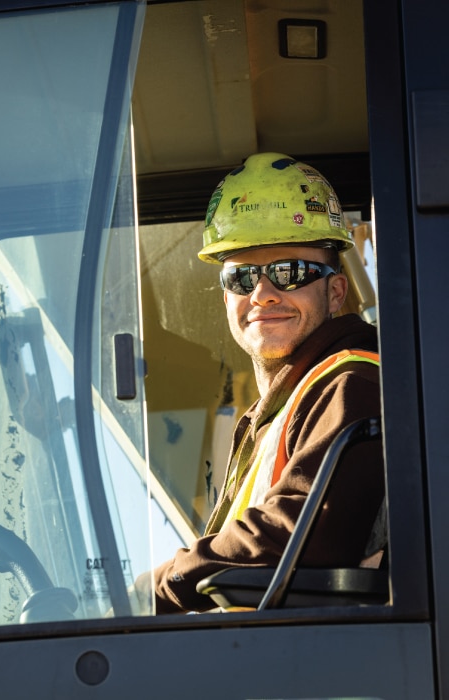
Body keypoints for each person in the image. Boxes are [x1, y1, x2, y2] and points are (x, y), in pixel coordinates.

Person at [146, 152, 384, 614]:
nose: (262, 293)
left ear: (336, 293)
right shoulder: (283, 407)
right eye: (241, 276)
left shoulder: (353, 383)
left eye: (289, 272)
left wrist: (157, 587)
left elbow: (296, 533)